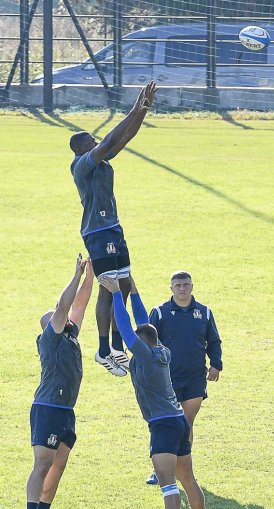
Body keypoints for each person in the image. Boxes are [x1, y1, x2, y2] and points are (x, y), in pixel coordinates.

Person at [98, 276, 209, 509]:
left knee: (167, 482)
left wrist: (114, 295)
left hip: (163, 425)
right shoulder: (161, 350)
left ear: (142, 343)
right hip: (178, 423)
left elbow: (126, 330)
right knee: (188, 478)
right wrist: (133, 291)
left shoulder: (146, 355)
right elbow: (142, 322)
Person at [69, 81, 158, 376]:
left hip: (114, 229)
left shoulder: (102, 161)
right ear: (82, 149)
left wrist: (142, 110)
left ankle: (119, 347)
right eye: (91, 143)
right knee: (107, 288)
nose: (97, 145)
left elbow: (125, 137)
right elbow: (108, 141)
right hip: (97, 232)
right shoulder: (82, 164)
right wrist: (132, 107)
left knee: (122, 284)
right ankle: (104, 350)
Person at [24, 255, 94, 509]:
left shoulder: (70, 334)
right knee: (43, 464)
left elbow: (80, 304)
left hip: (66, 410)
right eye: (56, 316)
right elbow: (65, 305)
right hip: (48, 408)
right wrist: (75, 274)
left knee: (58, 465)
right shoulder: (51, 337)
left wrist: (91, 274)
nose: (63, 316)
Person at [144, 271, 223, 486]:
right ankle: (158, 470)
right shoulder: (159, 313)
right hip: (165, 378)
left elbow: (214, 341)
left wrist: (216, 364)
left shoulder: (204, 313)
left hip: (195, 377)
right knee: (164, 424)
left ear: (192, 286)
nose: (182, 289)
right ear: (171, 288)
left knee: (186, 424)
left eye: (186, 285)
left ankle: (184, 471)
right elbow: (148, 344)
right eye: (178, 285)